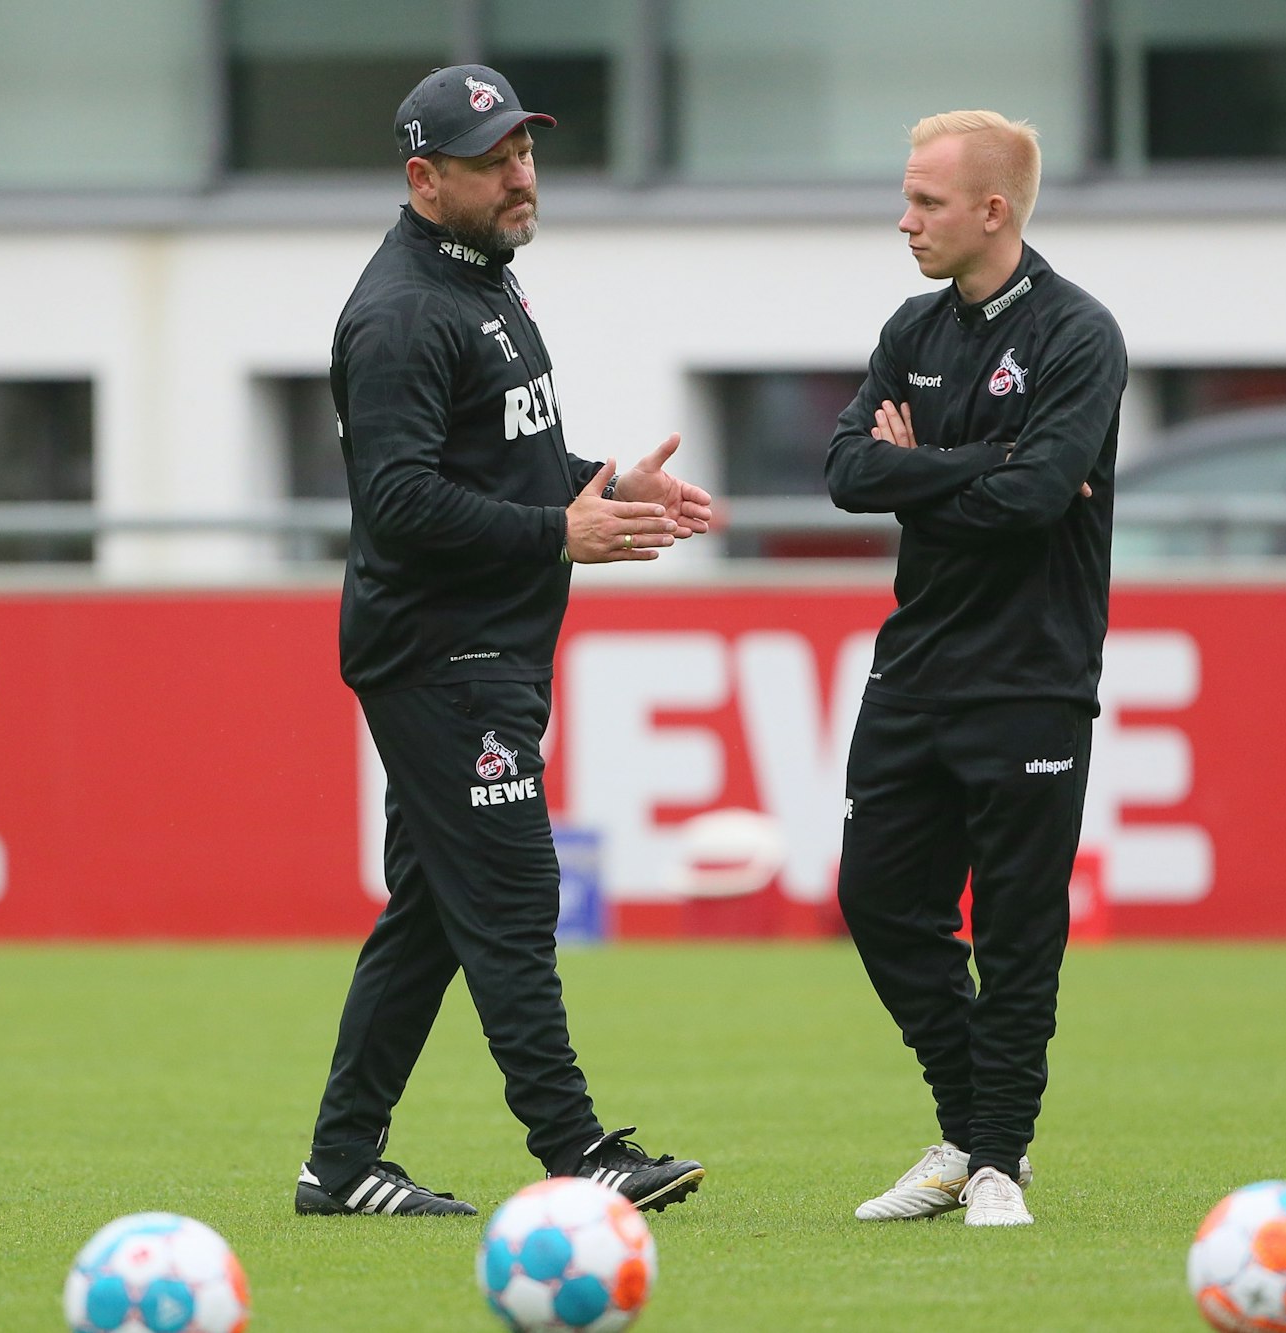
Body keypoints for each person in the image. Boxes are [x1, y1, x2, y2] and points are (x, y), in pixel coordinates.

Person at [295, 65, 712, 1219]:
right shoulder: (400, 315)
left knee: (433, 912)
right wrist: (559, 530)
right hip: (443, 652)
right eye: (491, 161)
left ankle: (338, 1167)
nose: (519, 174)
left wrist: (606, 486)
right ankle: (578, 1148)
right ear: (424, 180)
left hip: (485, 643)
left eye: (524, 151)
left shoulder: (482, 286)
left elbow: (503, 462)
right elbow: (399, 502)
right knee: (516, 890)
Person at [824, 110, 1127, 1227]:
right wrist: (972, 463)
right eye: (907, 199)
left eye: (926, 203)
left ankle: (996, 1158)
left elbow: (1035, 497)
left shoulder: (1076, 334)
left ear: (990, 211)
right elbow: (848, 470)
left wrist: (925, 466)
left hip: (1030, 673)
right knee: (877, 900)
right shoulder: (910, 328)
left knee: (1014, 926)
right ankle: (968, 1128)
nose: (904, 221)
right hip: (913, 669)